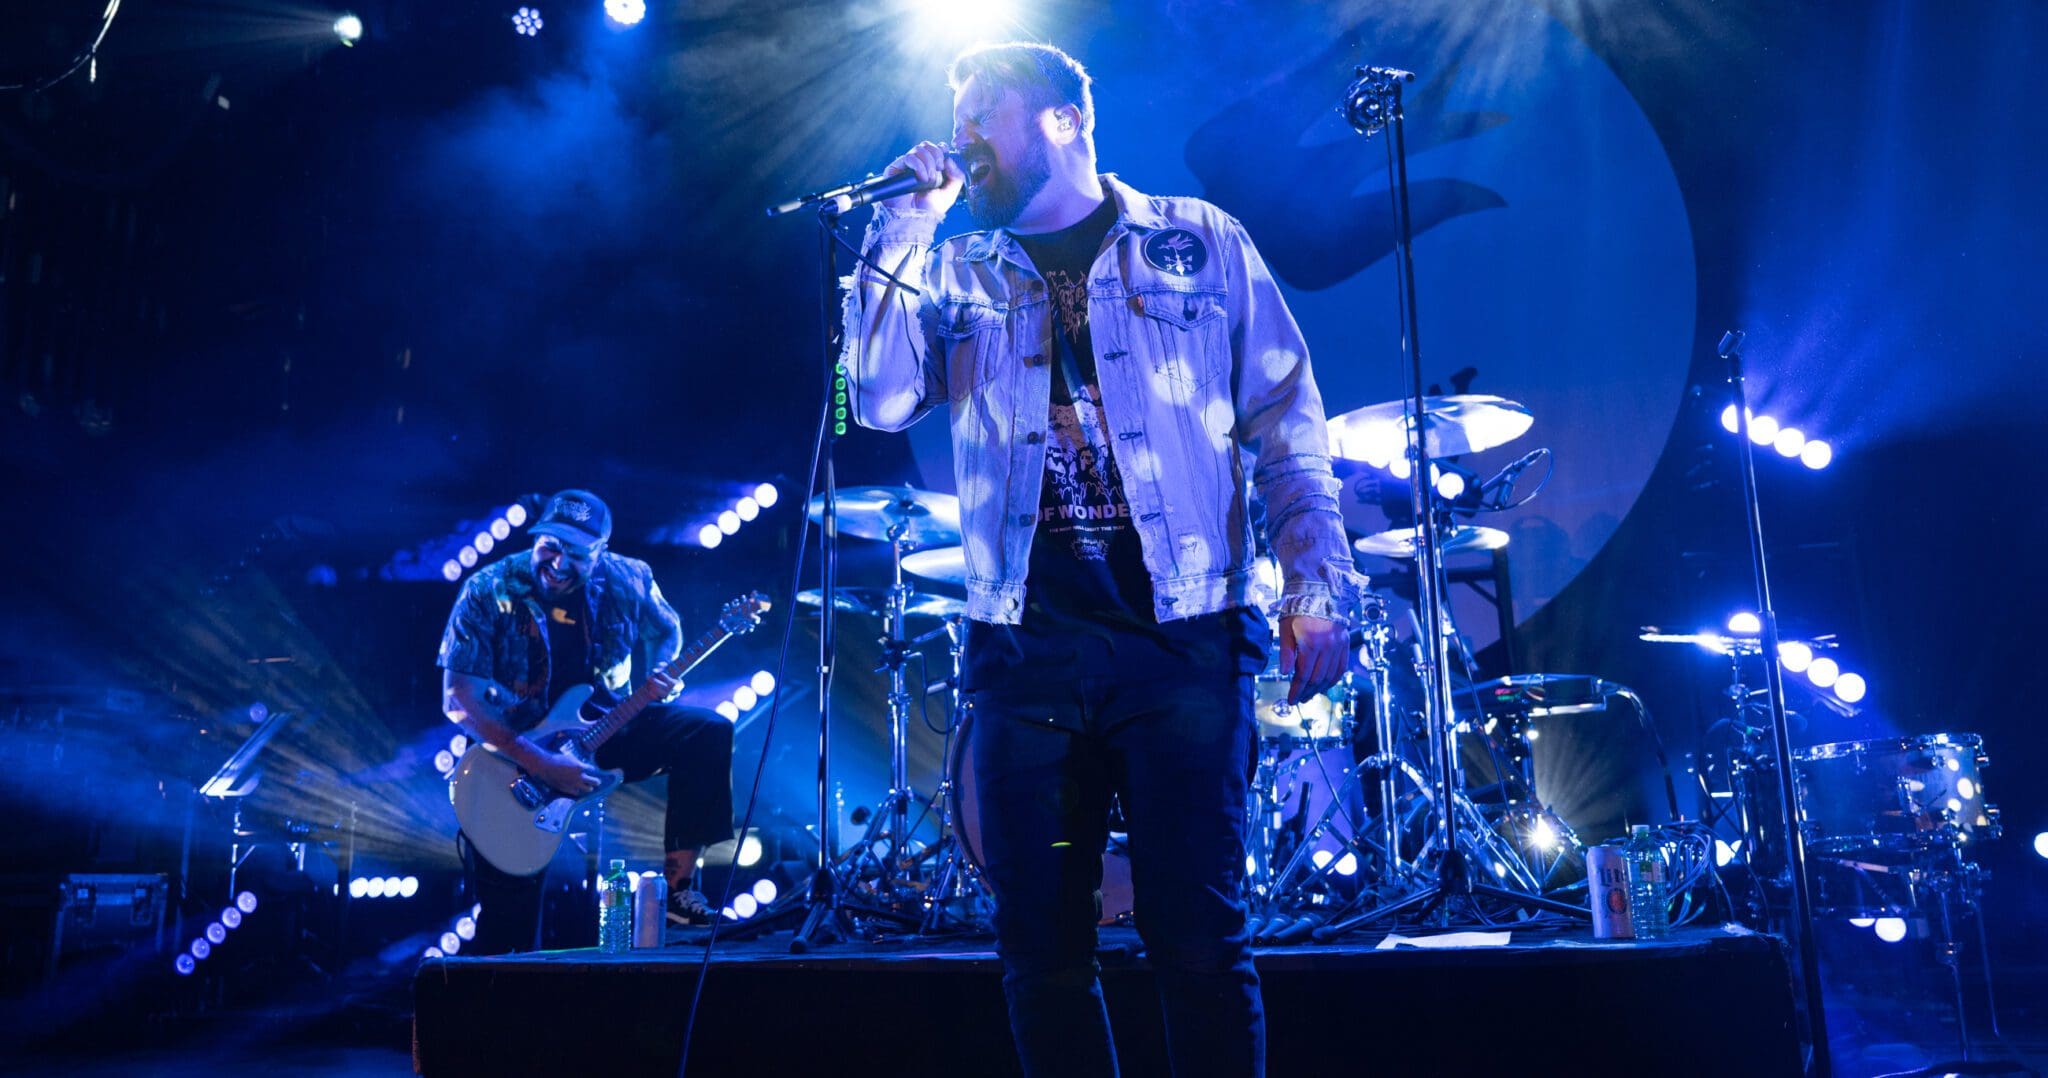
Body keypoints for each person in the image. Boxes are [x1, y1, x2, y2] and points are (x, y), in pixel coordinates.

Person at [842, 41, 1363, 1078]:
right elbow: (879, 397)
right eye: (956, 118)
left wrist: (1316, 583)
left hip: (1182, 637)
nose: (961, 137)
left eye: (981, 114)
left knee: (1198, 944)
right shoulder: (956, 268)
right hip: (1023, 649)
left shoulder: (1197, 240)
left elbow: (1286, 422)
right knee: (1039, 956)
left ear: (1063, 120)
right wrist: (902, 224)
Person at [436, 489, 734, 953]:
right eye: (549, 546)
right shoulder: (489, 588)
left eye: (575, 553)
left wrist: (662, 667)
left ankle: (679, 893)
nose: (558, 563)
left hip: (605, 730)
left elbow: (668, 628)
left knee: (707, 730)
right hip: (516, 755)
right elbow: (458, 698)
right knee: (508, 930)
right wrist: (541, 763)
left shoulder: (630, 577)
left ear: (600, 551)